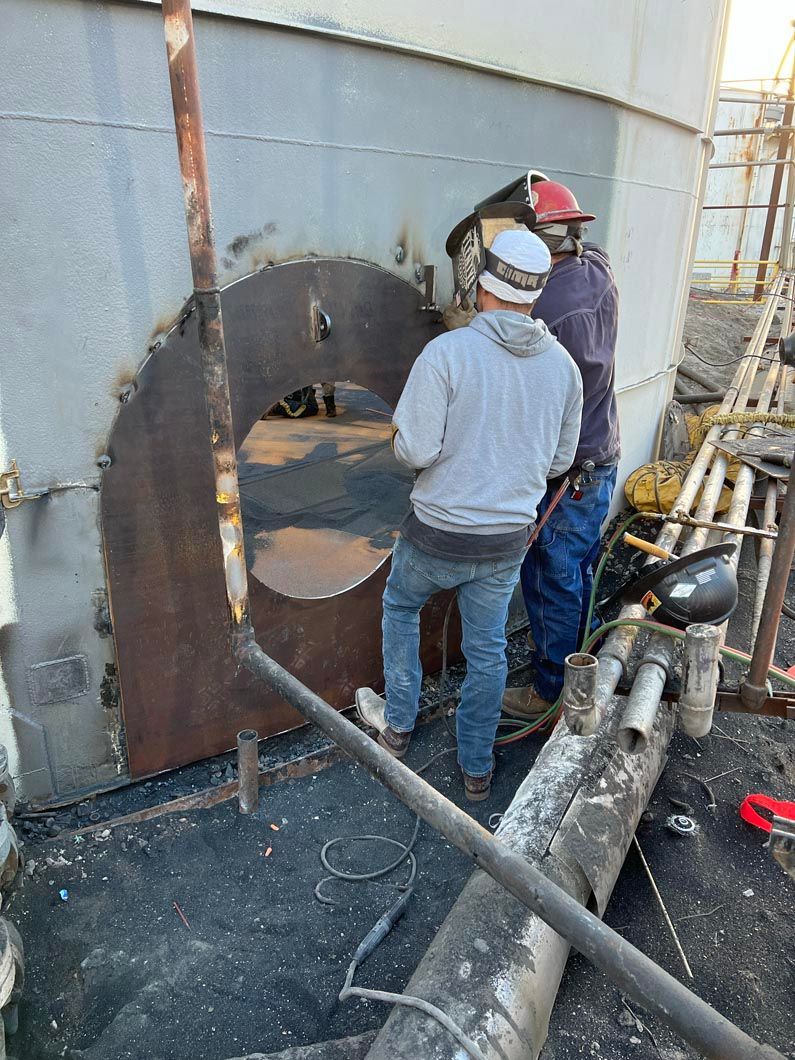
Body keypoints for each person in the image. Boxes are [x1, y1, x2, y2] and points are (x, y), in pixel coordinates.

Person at [355, 230, 583, 801]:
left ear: (481, 287)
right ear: (534, 298)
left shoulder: (447, 354)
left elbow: (415, 451)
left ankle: (399, 724)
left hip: (435, 535)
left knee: (401, 606)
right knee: (488, 653)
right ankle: (476, 765)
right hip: (506, 542)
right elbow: (559, 460)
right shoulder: (564, 369)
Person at [502, 180, 620, 721]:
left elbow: (533, 397)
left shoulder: (549, 310)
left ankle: (551, 691)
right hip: (604, 452)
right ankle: (584, 657)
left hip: (573, 468)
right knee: (577, 566)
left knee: (550, 575)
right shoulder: (598, 267)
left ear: (539, 241)